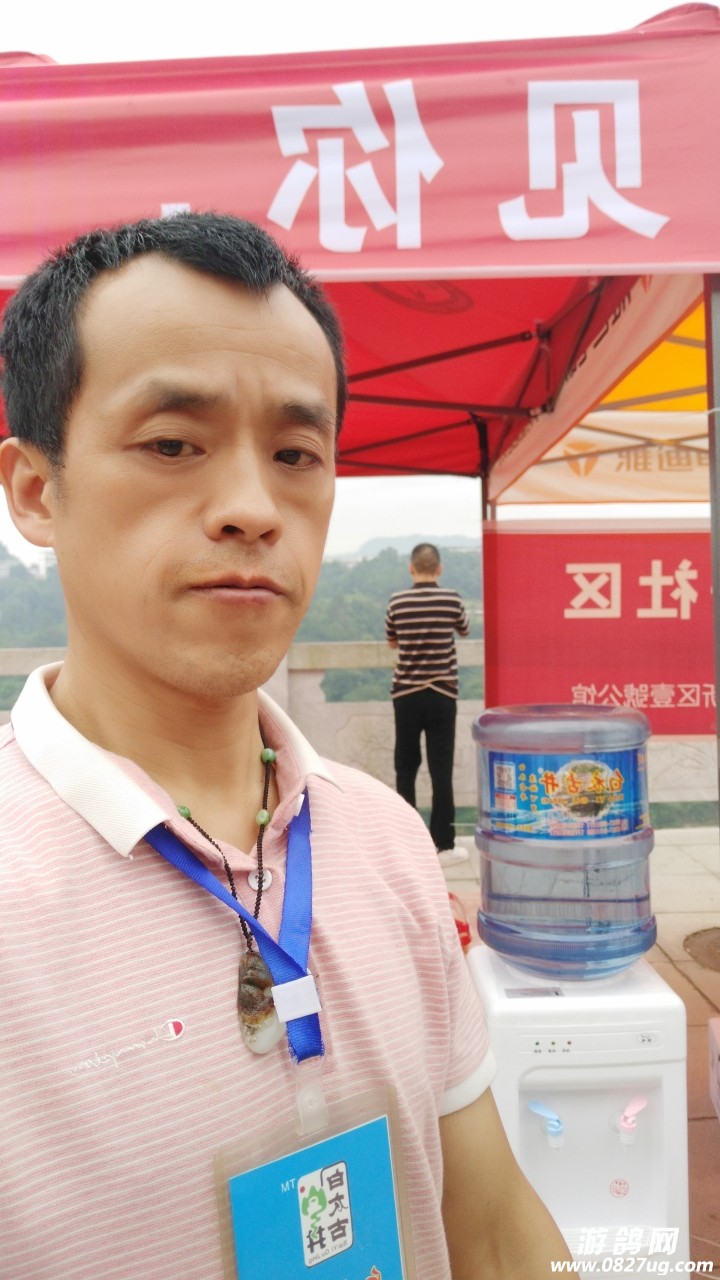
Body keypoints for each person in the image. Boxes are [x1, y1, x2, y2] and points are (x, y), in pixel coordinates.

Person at [0, 211, 570, 1279]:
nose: (253, 508)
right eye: (173, 444)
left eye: (297, 453)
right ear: (36, 490)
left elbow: (493, 1231)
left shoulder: (388, 840)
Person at [386, 542, 470, 866]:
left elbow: (392, 641)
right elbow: (464, 630)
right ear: (439, 569)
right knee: (440, 769)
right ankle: (444, 844)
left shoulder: (397, 601)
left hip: (406, 694)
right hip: (442, 694)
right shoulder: (452, 599)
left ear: (411, 568)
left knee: (405, 769)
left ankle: (408, 842)